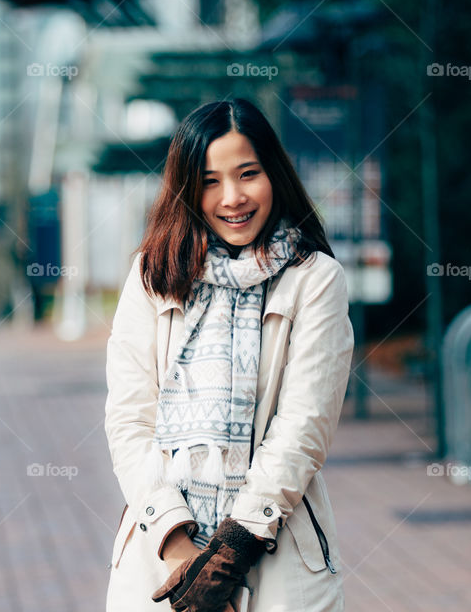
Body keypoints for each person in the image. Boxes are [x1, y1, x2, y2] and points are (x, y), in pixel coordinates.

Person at [104, 98, 354, 611]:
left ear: (274, 175)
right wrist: (179, 551)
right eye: (211, 180)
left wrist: (230, 551)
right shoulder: (153, 276)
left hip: (274, 550)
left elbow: (304, 427)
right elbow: (129, 419)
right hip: (158, 555)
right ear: (187, 189)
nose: (233, 197)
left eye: (248, 174)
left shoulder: (315, 279)